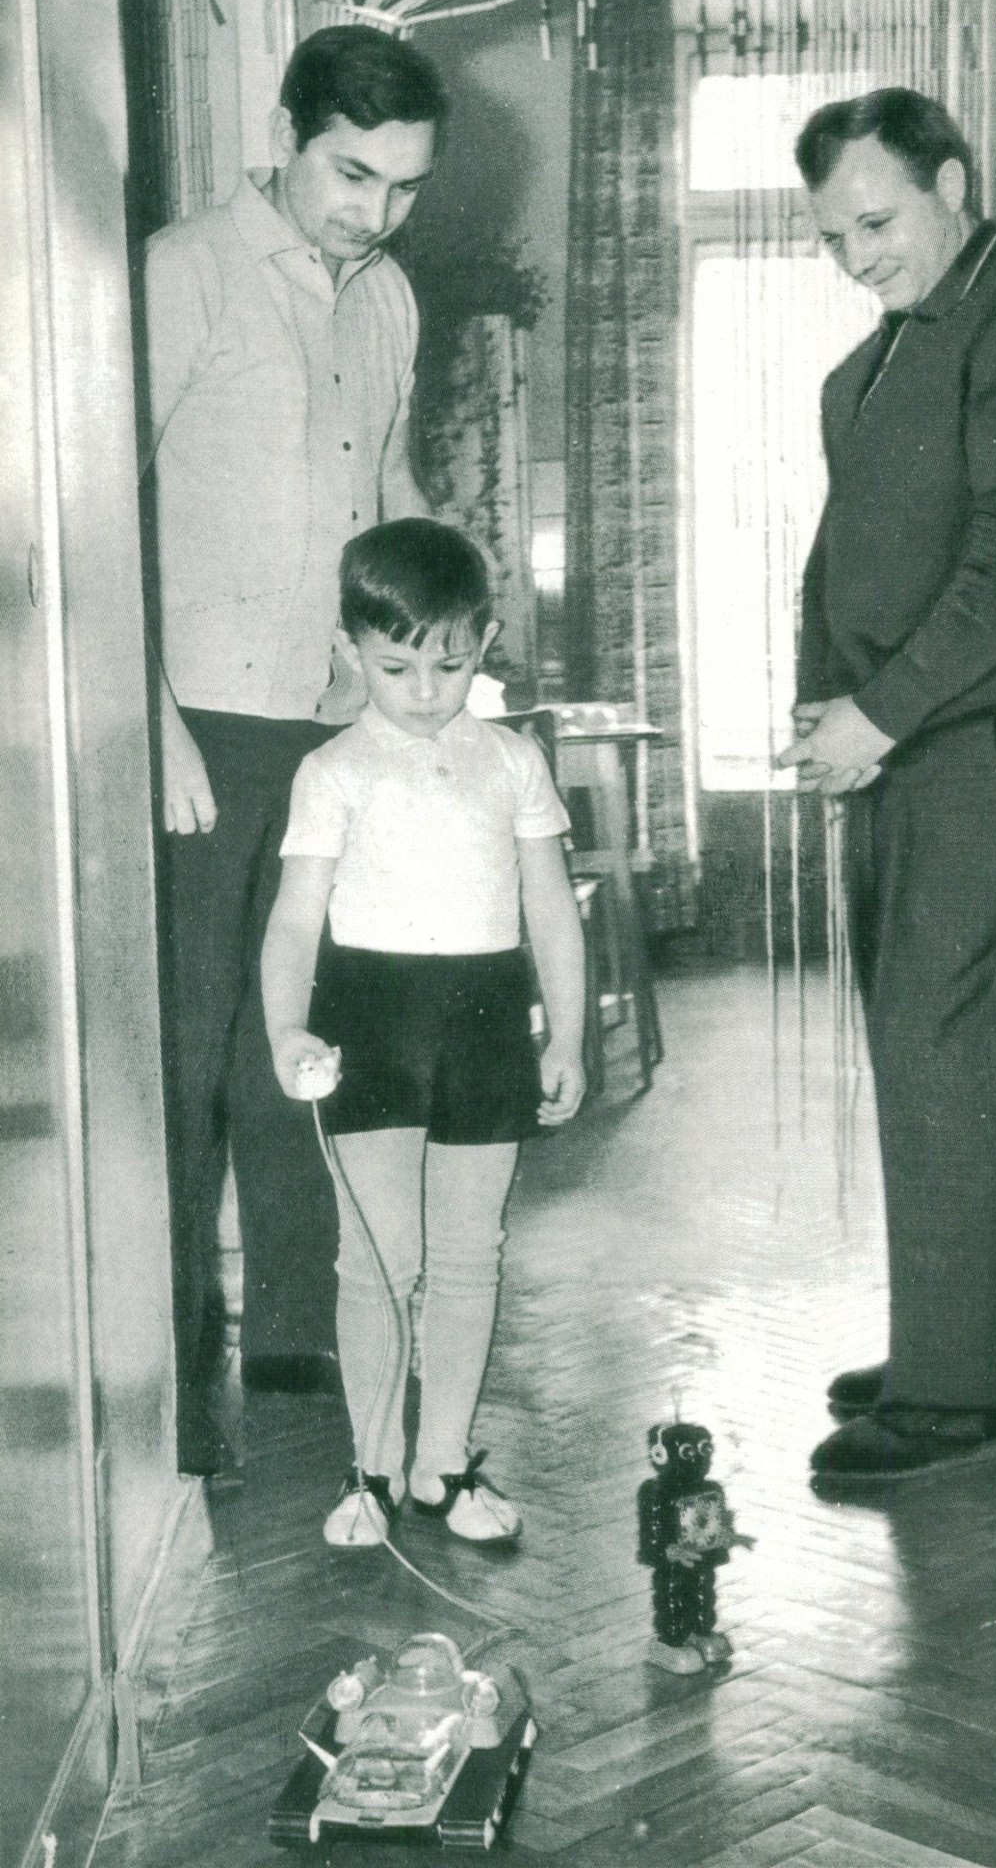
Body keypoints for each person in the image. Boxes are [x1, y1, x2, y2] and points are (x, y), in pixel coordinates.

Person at [139, 27, 446, 1470]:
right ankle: (165, 1370)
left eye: (400, 188)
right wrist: (135, 720)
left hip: (331, 728)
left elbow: (386, 494)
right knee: (188, 1052)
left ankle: (289, 1342)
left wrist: (426, 669)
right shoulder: (181, 269)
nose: (371, 212)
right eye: (349, 173)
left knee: (296, 1044)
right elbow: (94, 502)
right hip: (196, 723)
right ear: (286, 130)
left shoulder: (387, 298)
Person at [777, 89, 996, 1485]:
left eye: (877, 222)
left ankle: (957, 1401)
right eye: (833, 234)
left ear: (951, 179)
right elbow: (839, 548)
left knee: (941, 1047)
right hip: (898, 742)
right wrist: (815, 696)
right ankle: (992, 1341)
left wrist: (880, 709)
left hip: (982, 739)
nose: (856, 255)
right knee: (932, 1050)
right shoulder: (881, 356)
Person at [261, 519, 587, 1544]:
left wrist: (566, 1037)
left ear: (483, 642)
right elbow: (293, 920)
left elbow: (552, 910)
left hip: (486, 1023)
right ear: (352, 650)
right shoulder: (331, 771)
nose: (422, 688)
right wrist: (284, 1030)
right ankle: (370, 1467)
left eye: (449, 663)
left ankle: (442, 1464)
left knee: (466, 1257)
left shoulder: (513, 759)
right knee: (374, 1260)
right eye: (395, 666)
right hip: (369, 1022)